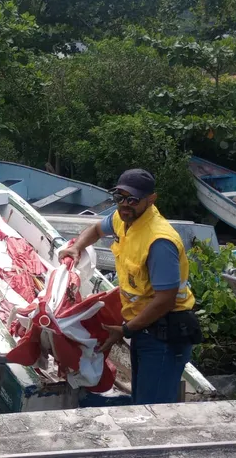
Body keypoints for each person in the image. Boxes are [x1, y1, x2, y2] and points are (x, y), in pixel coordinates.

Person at [59, 169, 202, 405]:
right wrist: (77, 247)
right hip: (143, 330)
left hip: (165, 336)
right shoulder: (122, 218)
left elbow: (165, 299)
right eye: (120, 198)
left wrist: (124, 331)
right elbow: (96, 230)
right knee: (143, 399)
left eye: (133, 199)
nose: (125, 204)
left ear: (151, 199)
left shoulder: (159, 241)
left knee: (152, 407)